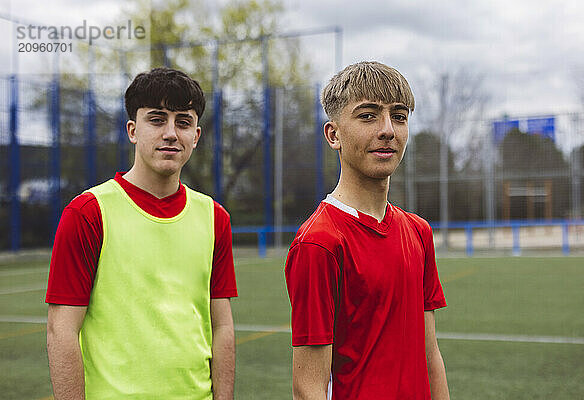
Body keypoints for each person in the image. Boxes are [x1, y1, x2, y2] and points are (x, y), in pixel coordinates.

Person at [46, 67, 237, 399]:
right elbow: (61, 330)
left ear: (196, 135)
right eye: (157, 119)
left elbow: (222, 327)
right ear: (133, 130)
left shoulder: (214, 217)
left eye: (183, 122)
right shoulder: (88, 213)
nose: (170, 133)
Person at [284, 61, 450, 399]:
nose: (388, 129)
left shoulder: (418, 232)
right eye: (368, 115)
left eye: (399, 116)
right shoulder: (319, 243)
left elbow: (429, 355)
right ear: (334, 135)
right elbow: (308, 387)